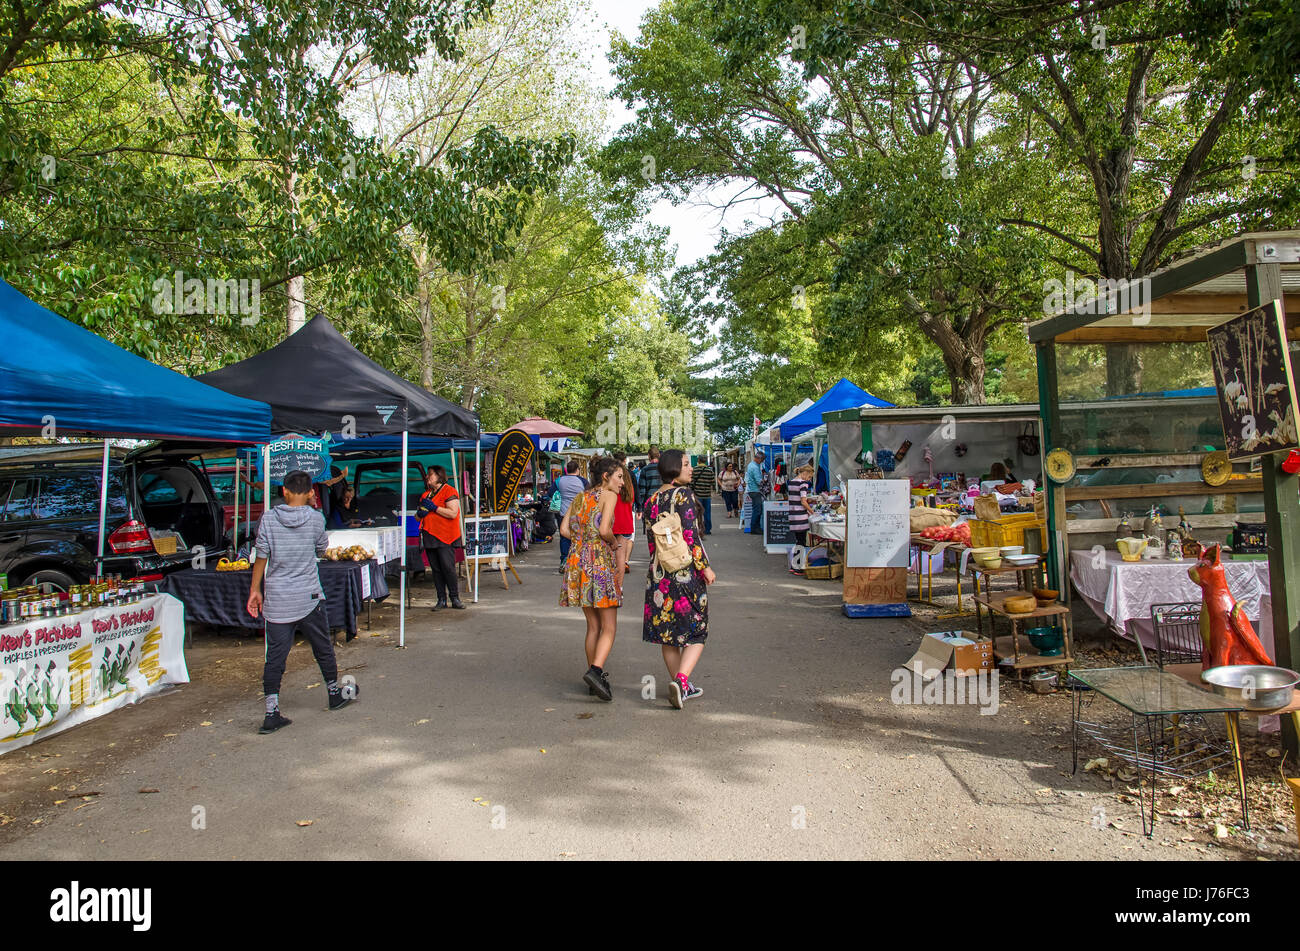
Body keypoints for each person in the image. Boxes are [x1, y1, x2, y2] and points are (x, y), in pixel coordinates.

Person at [246, 470, 355, 735]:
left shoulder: (269, 518)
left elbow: (261, 556)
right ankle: (333, 694)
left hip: (277, 599)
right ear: (310, 493)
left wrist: (254, 591)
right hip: (308, 596)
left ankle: (271, 712)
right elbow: (320, 549)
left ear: (283, 491)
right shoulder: (316, 519)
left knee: (275, 657)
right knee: (322, 648)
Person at [642, 450, 716, 709]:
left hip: (658, 575)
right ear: (674, 467)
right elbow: (691, 536)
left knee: (668, 634)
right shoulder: (684, 495)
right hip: (685, 574)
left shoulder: (650, 501)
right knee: (697, 630)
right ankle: (682, 681)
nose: (691, 469)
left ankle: (680, 686)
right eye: (686, 464)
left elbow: (653, 543)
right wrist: (705, 567)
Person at [559, 456, 625, 701]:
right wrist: (616, 545)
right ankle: (596, 671)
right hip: (598, 561)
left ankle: (592, 678)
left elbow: (564, 530)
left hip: (577, 561)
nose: (622, 483)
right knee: (609, 626)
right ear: (606, 477)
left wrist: (580, 541)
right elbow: (605, 530)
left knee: (593, 626)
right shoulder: (609, 496)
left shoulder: (580, 497)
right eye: (619, 477)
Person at [416, 466, 465, 610]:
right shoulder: (426, 495)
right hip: (430, 535)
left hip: (446, 536)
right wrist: (420, 513)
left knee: (448, 568)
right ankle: (441, 599)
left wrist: (435, 508)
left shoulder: (449, 491)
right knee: (436, 569)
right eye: (427, 475)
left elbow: (453, 513)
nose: (427, 477)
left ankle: (455, 598)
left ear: (439, 475)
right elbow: (417, 517)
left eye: (430, 474)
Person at [553, 460, 589, 574]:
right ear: (577, 470)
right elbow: (589, 495)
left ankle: (564, 560)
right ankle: (579, 560)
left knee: (564, 537)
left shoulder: (559, 481)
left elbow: (549, 493)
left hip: (563, 513)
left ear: (567, 470)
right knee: (579, 536)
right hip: (579, 513)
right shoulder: (583, 481)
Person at [611, 459, 637, 574]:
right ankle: (619, 589)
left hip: (612, 524)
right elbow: (632, 502)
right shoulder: (629, 487)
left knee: (611, 559)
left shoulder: (611, 487)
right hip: (625, 522)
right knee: (621, 559)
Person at [786, 464, 814, 547]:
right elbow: (803, 502)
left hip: (792, 514)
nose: (809, 479)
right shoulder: (803, 483)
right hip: (801, 516)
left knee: (798, 540)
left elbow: (795, 498)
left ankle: (797, 558)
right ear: (805, 473)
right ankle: (800, 559)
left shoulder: (791, 482)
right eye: (809, 477)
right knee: (802, 541)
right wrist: (812, 512)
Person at [690, 455, 716, 535]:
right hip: (707, 495)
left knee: (697, 513)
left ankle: (698, 528)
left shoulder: (695, 470)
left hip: (697, 495)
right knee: (707, 512)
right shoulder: (710, 470)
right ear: (705, 461)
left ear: (698, 460)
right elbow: (713, 483)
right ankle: (707, 529)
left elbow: (691, 483)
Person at [745, 449, 765, 536]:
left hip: (752, 490)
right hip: (755, 490)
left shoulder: (751, 465)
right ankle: (755, 528)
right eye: (762, 460)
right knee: (757, 510)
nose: (762, 462)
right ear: (759, 459)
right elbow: (759, 481)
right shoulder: (755, 467)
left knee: (756, 509)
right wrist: (764, 481)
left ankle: (755, 527)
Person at [638, 446, 662, 511]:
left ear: (649, 456)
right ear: (659, 455)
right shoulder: (664, 468)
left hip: (650, 503)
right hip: (663, 501)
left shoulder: (645, 470)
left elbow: (642, 491)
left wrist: (640, 508)